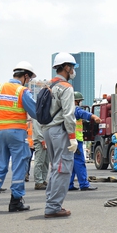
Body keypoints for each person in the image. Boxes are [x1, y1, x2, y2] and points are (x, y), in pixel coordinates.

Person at [0, 61, 38, 213]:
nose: (29, 82)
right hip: (17, 133)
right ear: (25, 76)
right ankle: (15, 201)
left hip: (0, 132)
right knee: (20, 164)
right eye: (29, 79)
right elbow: (34, 112)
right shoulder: (22, 91)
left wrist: (0, 123)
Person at [41, 52, 79, 218]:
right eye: (71, 67)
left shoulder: (48, 85)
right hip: (60, 131)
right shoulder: (66, 87)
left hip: (47, 130)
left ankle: (51, 201)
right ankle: (53, 206)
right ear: (66, 67)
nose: (73, 71)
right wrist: (72, 137)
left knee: (55, 167)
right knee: (63, 168)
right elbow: (68, 114)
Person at [69, 91, 101, 191]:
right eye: (79, 101)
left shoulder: (65, 110)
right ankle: (84, 184)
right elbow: (82, 113)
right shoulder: (74, 109)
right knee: (79, 162)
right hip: (76, 140)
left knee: (71, 164)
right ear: (76, 101)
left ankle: (69, 184)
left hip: (68, 140)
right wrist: (94, 116)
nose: (79, 104)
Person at [32, 117, 48, 190]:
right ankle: (38, 182)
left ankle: (43, 179)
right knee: (39, 161)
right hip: (40, 141)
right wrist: (42, 140)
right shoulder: (36, 114)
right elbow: (37, 128)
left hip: (47, 139)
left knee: (46, 162)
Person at [25, 118, 35, 182]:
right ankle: (26, 174)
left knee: (40, 162)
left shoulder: (37, 123)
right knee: (28, 160)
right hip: (29, 144)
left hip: (36, 143)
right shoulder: (27, 124)